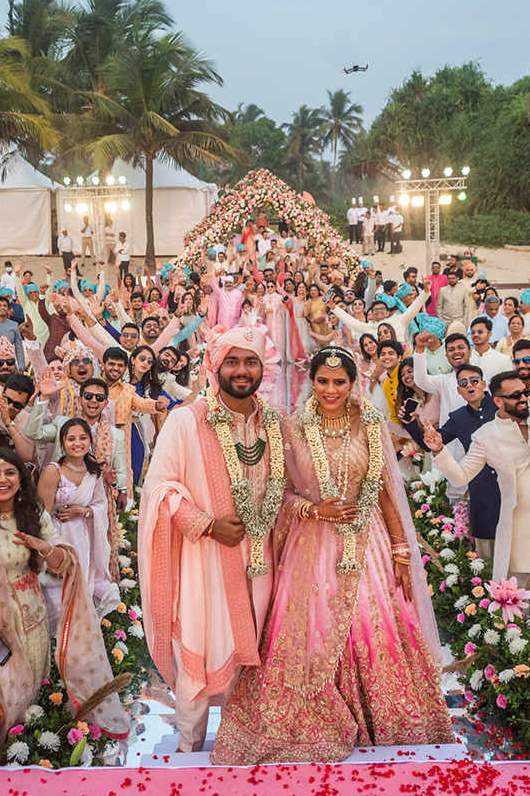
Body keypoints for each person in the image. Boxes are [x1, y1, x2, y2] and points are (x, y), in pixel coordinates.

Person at [211, 346, 453, 764]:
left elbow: (384, 491)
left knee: (373, 621)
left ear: (352, 383)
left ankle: (384, 721)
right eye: (323, 381)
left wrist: (399, 551)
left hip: (368, 542)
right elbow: (279, 491)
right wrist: (312, 508)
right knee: (311, 626)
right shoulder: (291, 428)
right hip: (311, 542)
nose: (330, 389)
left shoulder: (371, 423)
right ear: (312, 381)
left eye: (339, 382)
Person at [138, 327, 280, 753]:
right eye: (232, 361)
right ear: (215, 366)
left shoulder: (272, 423)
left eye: (250, 361)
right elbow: (158, 488)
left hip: (262, 563)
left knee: (258, 659)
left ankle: (244, 749)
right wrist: (206, 523)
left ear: (262, 368)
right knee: (199, 656)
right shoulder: (185, 420)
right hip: (205, 563)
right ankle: (188, 751)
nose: (242, 370)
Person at [0, 449, 127, 754]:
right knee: (1, 694)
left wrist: (46, 548)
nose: (2, 480)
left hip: (31, 618)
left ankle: (27, 761)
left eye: (10, 473)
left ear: (21, 478)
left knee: (30, 694)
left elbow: (62, 563)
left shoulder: (33, 513)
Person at [427, 371, 530, 667]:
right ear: (498, 400)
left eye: (524, 393)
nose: (523, 399)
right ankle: (525, 665)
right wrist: (438, 449)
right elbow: (461, 475)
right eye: (515, 396)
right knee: (515, 604)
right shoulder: (486, 435)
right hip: (519, 527)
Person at [36, 418, 120, 619]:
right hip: (57, 537)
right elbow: (42, 515)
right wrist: (50, 555)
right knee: (59, 597)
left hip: (83, 538)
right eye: (71, 439)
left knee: (82, 593)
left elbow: (100, 505)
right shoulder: (52, 471)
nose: (77, 443)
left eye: (83, 438)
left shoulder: (93, 471)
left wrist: (83, 512)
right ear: (62, 443)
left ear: (90, 441)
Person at [434, 365, 499, 557]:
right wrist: (411, 424)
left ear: (483, 384)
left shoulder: (502, 406)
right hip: (481, 488)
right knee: (486, 555)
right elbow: (435, 441)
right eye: (463, 383)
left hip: (510, 486)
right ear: (459, 390)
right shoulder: (458, 417)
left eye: (474, 380)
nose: (469, 385)